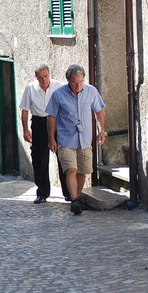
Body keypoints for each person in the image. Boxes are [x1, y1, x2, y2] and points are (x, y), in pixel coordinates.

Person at [46, 64, 106, 215]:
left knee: (82, 171)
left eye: (80, 81)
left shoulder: (91, 91)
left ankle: (77, 197)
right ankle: (74, 200)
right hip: (66, 139)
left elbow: (99, 112)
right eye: (74, 82)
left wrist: (102, 130)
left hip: (85, 139)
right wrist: (51, 139)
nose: (78, 85)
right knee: (71, 169)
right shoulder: (58, 95)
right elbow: (51, 118)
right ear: (68, 80)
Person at [20, 64, 71, 204]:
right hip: (39, 123)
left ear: (49, 74)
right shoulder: (30, 88)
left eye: (46, 76)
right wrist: (25, 129)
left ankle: (68, 192)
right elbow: (24, 110)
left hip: (57, 123)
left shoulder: (59, 86)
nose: (43, 80)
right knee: (39, 159)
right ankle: (42, 193)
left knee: (63, 157)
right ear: (36, 77)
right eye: (40, 78)